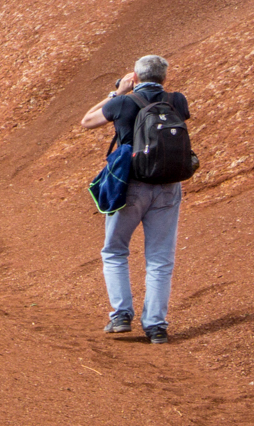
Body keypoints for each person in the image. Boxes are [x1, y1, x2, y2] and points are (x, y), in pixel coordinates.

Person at [81, 54, 191, 344]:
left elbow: (87, 121)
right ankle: (156, 326)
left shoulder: (123, 102)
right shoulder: (177, 100)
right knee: (160, 259)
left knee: (115, 251)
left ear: (137, 77)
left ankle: (120, 316)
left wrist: (117, 92)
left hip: (129, 186)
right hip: (168, 186)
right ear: (164, 78)